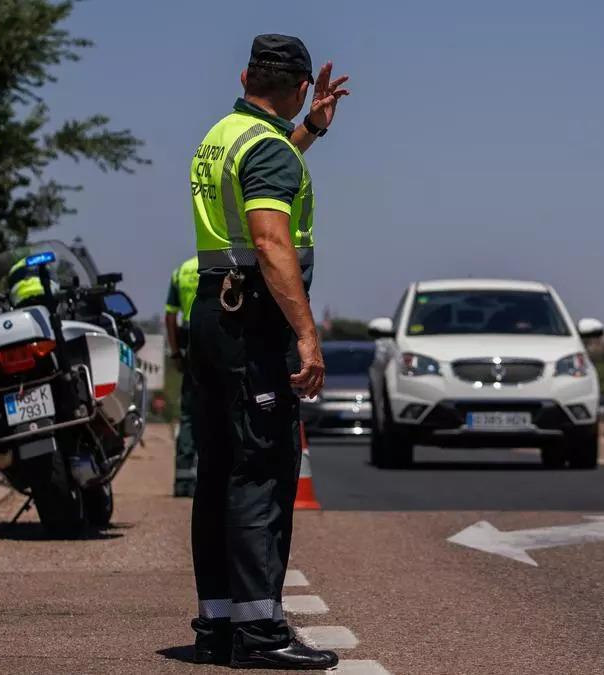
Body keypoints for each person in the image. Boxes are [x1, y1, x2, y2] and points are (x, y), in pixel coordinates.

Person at [187, 34, 349, 670]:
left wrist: (310, 129)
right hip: (254, 323)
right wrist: (306, 335)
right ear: (303, 84)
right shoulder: (268, 152)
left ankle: (219, 626)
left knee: (220, 473)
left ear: (246, 75)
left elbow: (258, 177)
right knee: (261, 473)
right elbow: (271, 241)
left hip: (213, 315)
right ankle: (261, 635)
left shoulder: (224, 134)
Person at [165, 255, 200, 497]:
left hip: (189, 341)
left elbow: (170, 316)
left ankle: (183, 479)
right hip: (215, 336)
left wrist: (175, 352)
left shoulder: (181, 271)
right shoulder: (222, 263)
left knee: (189, 413)